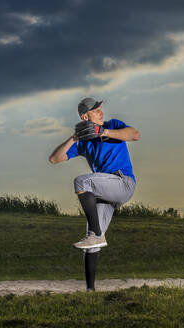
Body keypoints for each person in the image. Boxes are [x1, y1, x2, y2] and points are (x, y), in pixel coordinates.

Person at [48, 97, 140, 291]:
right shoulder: (84, 143)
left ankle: (97, 234)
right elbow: (54, 159)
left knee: (82, 181)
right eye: (96, 110)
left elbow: (134, 135)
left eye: (100, 108)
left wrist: (103, 131)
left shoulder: (112, 125)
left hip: (123, 182)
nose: (101, 112)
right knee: (91, 242)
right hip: (104, 192)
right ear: (85, 116)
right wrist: (74, 138)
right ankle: (90, 291)